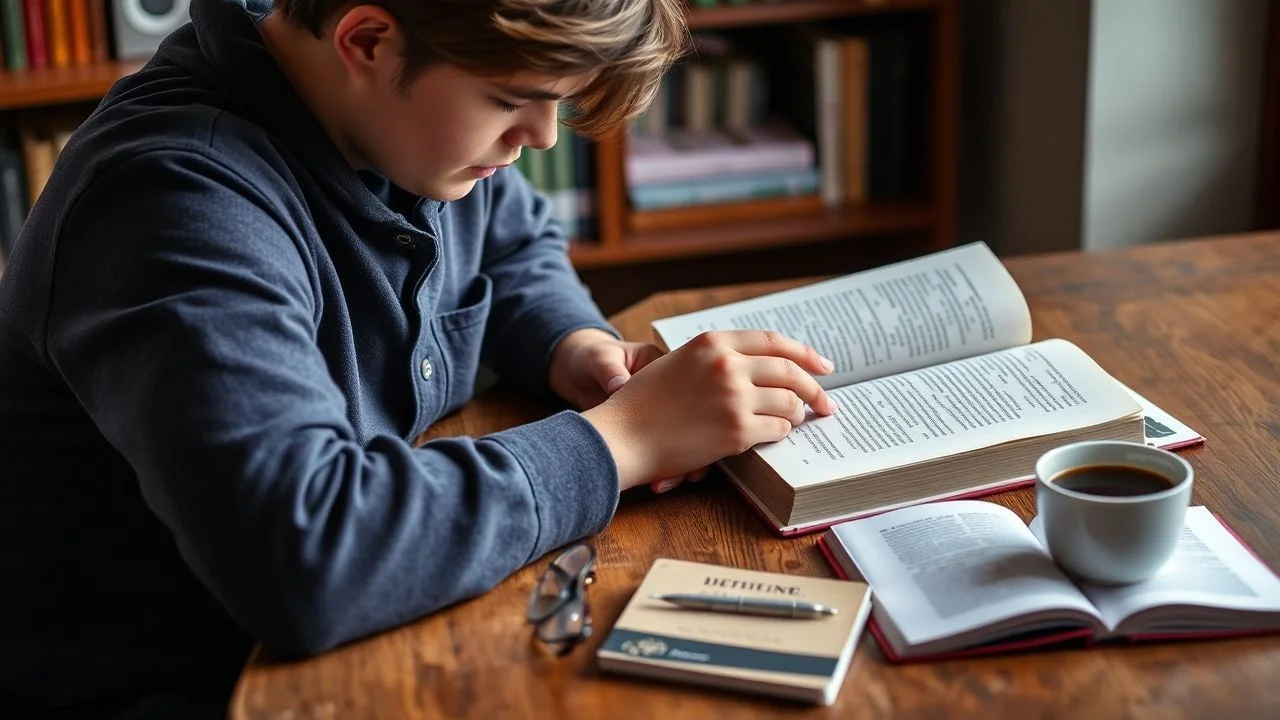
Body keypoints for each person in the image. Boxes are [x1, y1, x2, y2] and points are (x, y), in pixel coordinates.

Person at [0, 0, 836, 715]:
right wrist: (625, 440)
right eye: (514, 99)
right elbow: (310, 554)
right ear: (367, 40)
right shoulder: (173, 204)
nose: (542, 137)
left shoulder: (393, 115)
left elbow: (511, 245)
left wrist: (572, 346)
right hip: (196, 683)